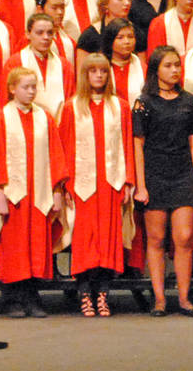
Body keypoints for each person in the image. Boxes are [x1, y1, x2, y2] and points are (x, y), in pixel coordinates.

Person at [57, 53, 135, 317]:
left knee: (107, 243)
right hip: (83, 186)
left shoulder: (120, 106)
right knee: (84, 242)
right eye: (93, 71)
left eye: (103, 71)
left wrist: (128, 182)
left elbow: (127, 145)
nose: (99, 76)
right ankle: (84, 295)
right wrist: (64, 184)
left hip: (111, 184)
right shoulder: (72, 107)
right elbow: (64, 146)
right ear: (85, 75)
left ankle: (103, 295)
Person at [0, 65, 65, 317]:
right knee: (14, 247)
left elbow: (55, 155)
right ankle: (12, 298)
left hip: (39, 191)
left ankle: (32, 296)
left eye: (34, 87)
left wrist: (57, 191)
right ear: (11, 89)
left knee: (37, 245)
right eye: (25, 87)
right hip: (13, 193)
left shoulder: (45, 117)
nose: (31, 92)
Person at [133, 46, 193, 316]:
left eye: (177, 65)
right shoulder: (144, 102)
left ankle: (185, 298)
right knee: (156, 238)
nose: (175, 70)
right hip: (155, 174)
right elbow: (137, 145)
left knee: (184, 237)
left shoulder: (189, 101)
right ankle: (160, 299)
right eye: (168, 65)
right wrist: (141, 185)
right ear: (156, 69)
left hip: (183, 173)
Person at [5, 12, 71, 113]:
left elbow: (69, 101)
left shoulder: (63, 65)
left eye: (49, 33)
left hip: (58, 123)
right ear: (28, 34)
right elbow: (6, 99)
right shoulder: (15, 62)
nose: (46, 37)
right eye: (40, 33)